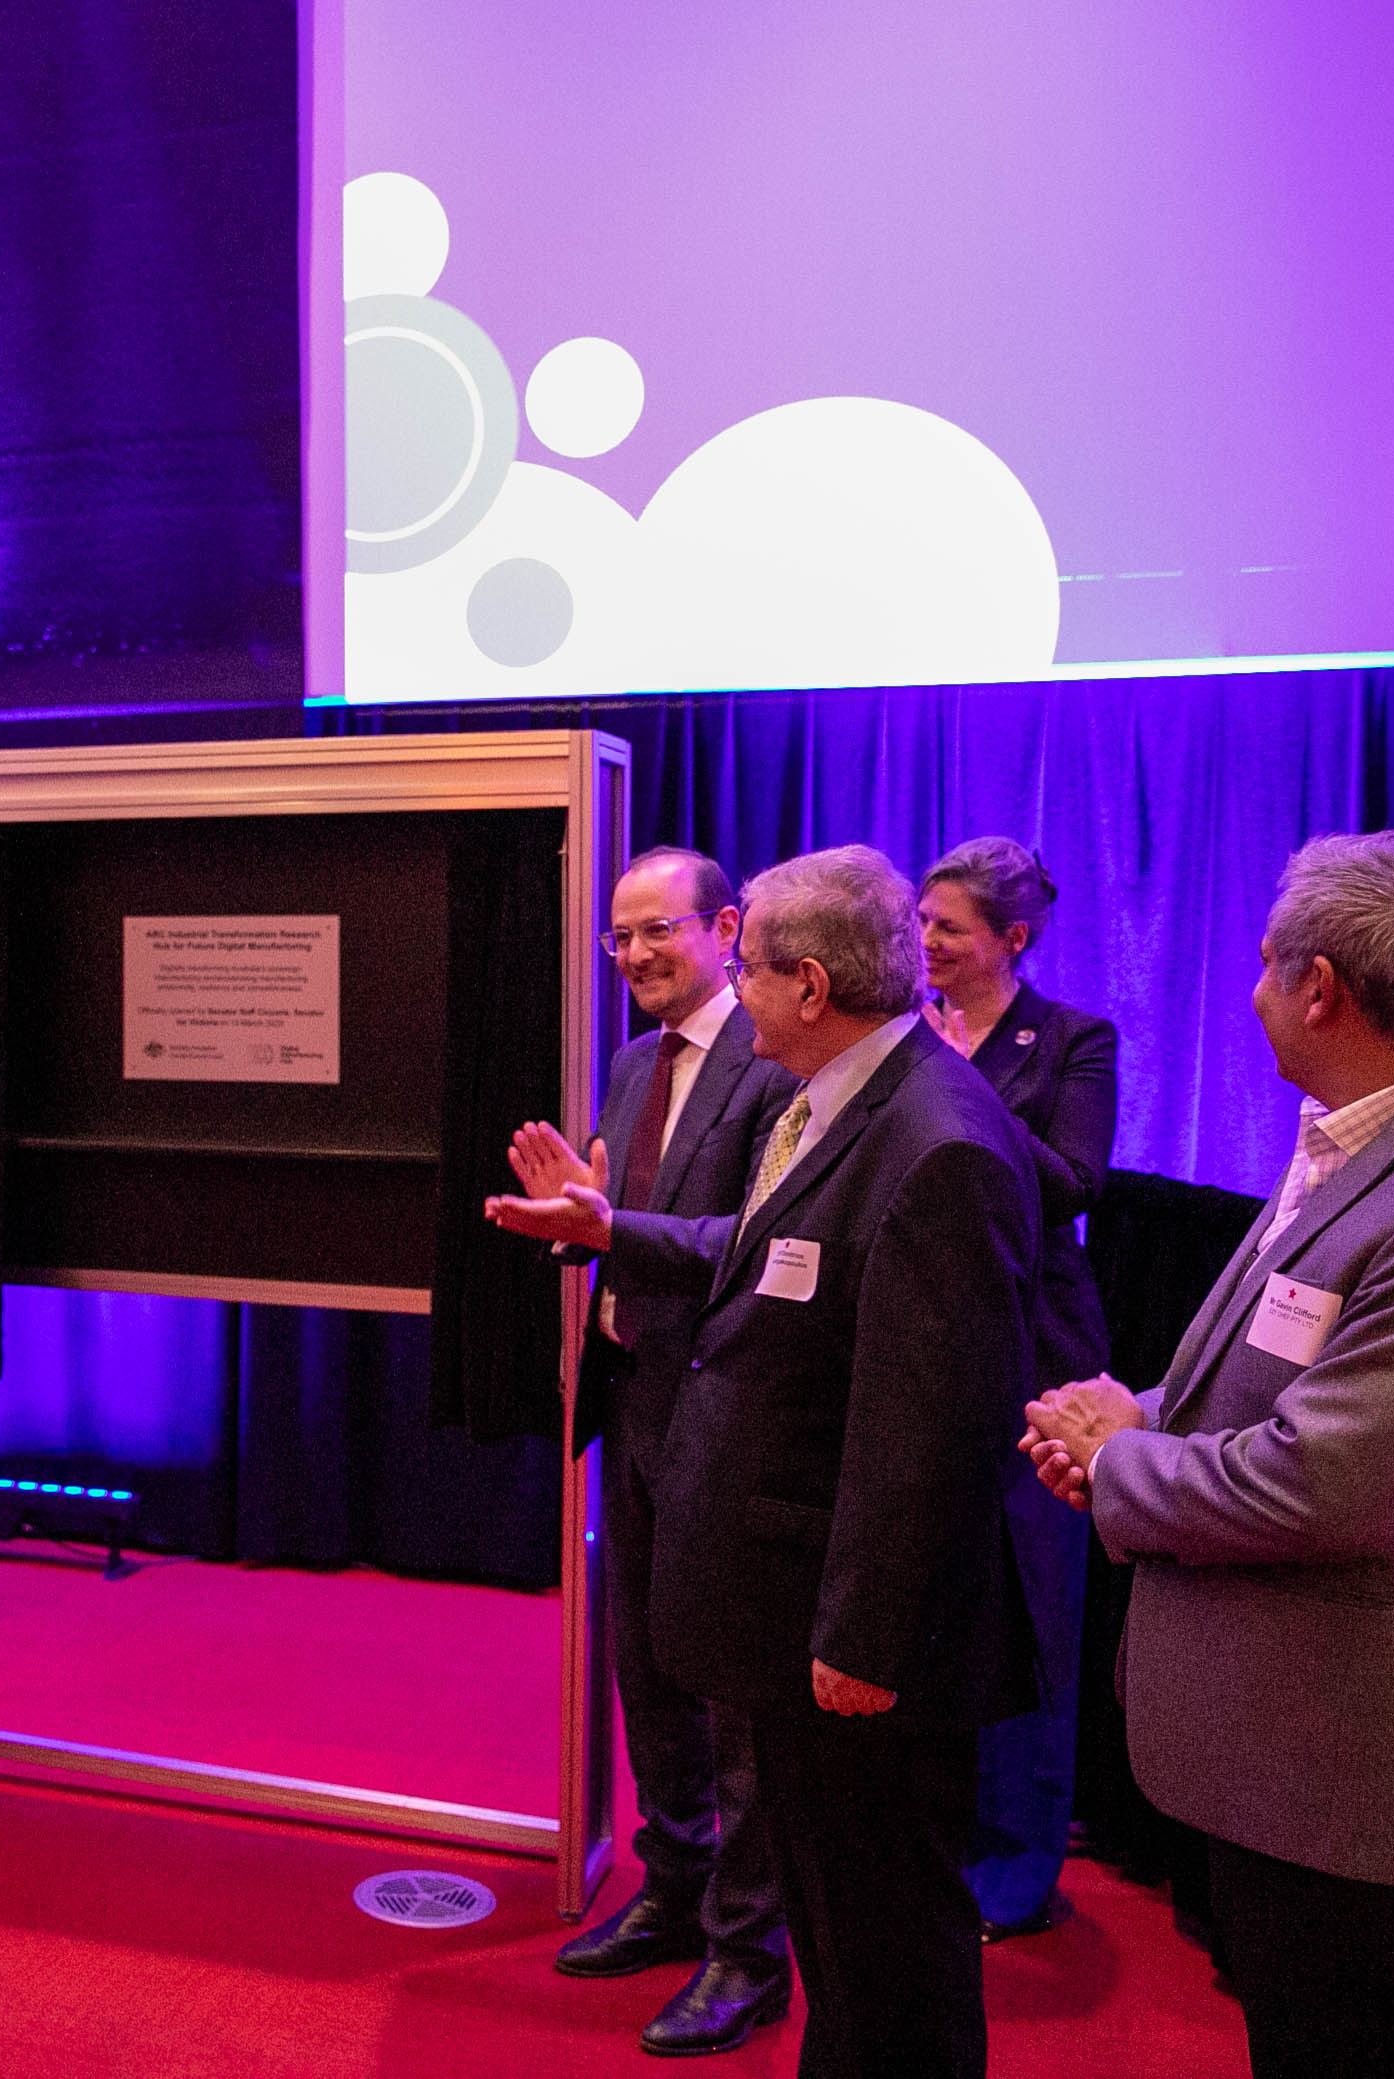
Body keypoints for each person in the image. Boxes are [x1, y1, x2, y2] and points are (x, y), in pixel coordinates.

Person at [1023, 832, 1394, 2079]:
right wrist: (1133, 1413)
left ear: (1321, 987)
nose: (1249, 995)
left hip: (1360, 1788)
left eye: (1262, 967)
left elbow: (1320, 1482)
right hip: (1289, 1764)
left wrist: (1116, 1463)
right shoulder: (1363, 1139)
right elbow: (1259, 1388)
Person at [489, 844, 1038, 2079]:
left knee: (887, 1925)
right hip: (739, 1516)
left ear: (801, 981)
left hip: (845, 1612)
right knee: (850, 1923)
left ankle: (751, 1955)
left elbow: (935, 1431)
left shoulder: (934, 1137)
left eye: (733, 959)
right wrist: (601, 1225)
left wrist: (860, 1633)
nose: (723, 984)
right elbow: (771, 1256)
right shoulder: (839, 1098)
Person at [526, 848, 796, 2055]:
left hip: (730, 1418)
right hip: (633, 1403)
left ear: (725, 927)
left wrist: (612, 1227)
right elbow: (616, 1224)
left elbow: (769, 1240)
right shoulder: (632, 1065)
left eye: (655, 933)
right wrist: (577, 1224)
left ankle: (750, 1950)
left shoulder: (780, 1062)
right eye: (615, 938)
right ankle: (674, 1894)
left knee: (734, 1692)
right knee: (648, 1672)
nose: (631, 956)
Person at [917, 838, 1117, 1942]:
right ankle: (943, 1834)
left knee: (1036, 1614)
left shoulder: (1075, 1041)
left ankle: (1020, 1868)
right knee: (940, 1608)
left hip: (1039, 1357)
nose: (925, 943)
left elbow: (1071, 1182)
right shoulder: (908, 1030)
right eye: (921, 922)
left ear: (1014, 940)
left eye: (946, 926)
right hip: (926, 1350)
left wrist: (953, 1082)